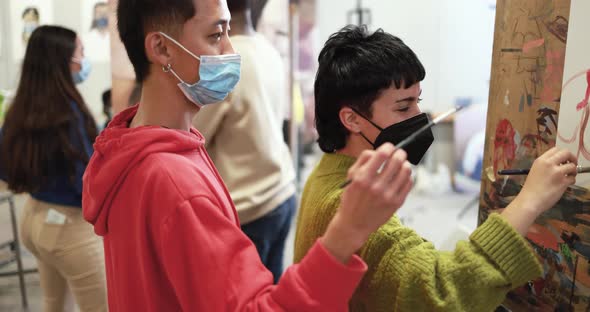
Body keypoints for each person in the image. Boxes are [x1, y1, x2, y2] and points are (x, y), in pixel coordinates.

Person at [82, 0, 414, 310]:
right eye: (215, 36)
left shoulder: (140, 144)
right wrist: (348, 230)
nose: (230, 50)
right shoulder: (175, 184)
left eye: (228, 32)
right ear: (161, 48)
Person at [293, 25, 578, 311]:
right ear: (352, 120)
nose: (420, 117)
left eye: (418, 101)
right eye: (404, 108)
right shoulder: (351, 209)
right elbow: (442, 294)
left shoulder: (329, 170)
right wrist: (530, 201)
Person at [0, 25, 107, 312]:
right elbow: (87, 182)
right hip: (70, 229)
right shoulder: (69, 114)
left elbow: (5, 170)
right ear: (63, 61)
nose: (84, 60)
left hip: (33, 220)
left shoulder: (19, 110)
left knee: (54, 304)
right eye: (81, 53)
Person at [192, 0, 295, 283]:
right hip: (281, 190)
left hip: (249, 206)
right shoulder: (266, 49)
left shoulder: (225, 63)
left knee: (245, 297)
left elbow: (192, 134)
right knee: (271, 291)